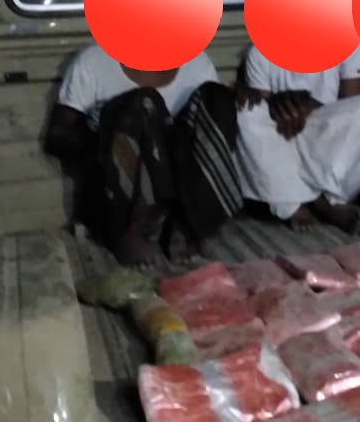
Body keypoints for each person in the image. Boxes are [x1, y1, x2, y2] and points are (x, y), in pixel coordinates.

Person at [44, 43, 242, 267]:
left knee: (217, 98)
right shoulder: (94, 60)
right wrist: (111, 134)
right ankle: (133, 230)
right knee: (142, 104)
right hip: (117, 183)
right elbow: (57, 136)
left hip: (177, 180)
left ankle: (187, 223)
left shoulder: (197, 62)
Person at [234, 42, 360, 233]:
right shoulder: (258, 52)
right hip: (283, 140)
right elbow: (261, 119)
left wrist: (309, 105)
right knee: (244, 111)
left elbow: (351, 111)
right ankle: (302, 205)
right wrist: (277, 105)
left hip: (325, 149)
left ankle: (328, 199)